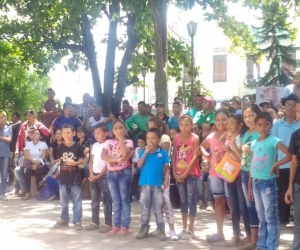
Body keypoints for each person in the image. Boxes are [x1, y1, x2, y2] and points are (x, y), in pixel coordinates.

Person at [249, 112, 291, 250]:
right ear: (255, 126)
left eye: (266, 125)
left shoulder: (274, 140)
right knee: (261, 216)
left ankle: (271, 246)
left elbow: (290, 154)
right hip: (256, 182)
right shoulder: (254, 143)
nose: (262, 128)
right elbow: (252, 164)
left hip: (268, 183)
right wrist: (249, 185)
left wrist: (275, 165)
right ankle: (262, 245)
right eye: (259, 125)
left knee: (270, 216)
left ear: (270, 126)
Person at [201, 109, 230, 243]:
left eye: (224, 119)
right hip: (215, 174)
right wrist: (206, 157)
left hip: (230, 174)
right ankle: (220, 233)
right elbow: (201, 146)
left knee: (231, 203)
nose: (221, 122)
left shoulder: (232, 135)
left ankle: (238, 233)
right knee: (218, 202)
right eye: (218, 120)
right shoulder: (211, 136)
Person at [272, 93, 300, 230]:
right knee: (283, 191)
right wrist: (275, 163)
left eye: (293, 105)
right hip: (283, 164)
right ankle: (283, 220)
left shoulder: (299, 124)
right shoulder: (277, 125)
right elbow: (273, 145)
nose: (291, 107)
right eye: (288, 104)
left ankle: (296, 219)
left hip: (297, 164)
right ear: (284, 106)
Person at [135, 128, 169, 241]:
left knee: (158, 209)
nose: (150, 140)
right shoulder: (142, 151)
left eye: (153, 138)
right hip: (145, 184)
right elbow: (139, 165)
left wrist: (166, 179)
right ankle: (144, 228)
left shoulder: (162, 152)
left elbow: (167, 167)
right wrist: (145, 152)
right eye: (148, 138)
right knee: (145, 208)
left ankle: (161, 229)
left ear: (158, 140)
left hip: (158, 185)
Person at [147, 117, 178, 241]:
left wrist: (166, 178)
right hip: (152, 176)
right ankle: (160, 227)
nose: (150, 131)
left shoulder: (164, 139)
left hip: (162, 175)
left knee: (166, 201)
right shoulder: (149, 143)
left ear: (159, 128)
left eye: (152, 128)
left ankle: (172, 228)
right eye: (148, 128)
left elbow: (164, 157)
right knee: (156, 202)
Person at [223, 114, 251, 247]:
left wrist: (231, 148)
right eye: (228, 123)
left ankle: (249, 235)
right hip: (230, 171)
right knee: (233, 205)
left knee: (243, 205)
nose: (229, 126)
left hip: (240, 173)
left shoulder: (242, 138)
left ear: (240, 125)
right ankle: (235, 235)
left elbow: (241, 159)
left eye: (232, 123)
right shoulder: (228, 137)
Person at [101, 119, 134, 236]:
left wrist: (120, 139)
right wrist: (116, 159)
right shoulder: (108, 142)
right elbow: (103, 156)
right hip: (111, 173)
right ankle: (116, 225)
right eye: (116, 128)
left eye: (121, 128)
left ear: (125, 129)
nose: (119, 130)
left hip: (124, 173)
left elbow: (125, 155)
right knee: (116, 200)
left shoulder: (128, 142)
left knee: (125, 200)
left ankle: (125, 226)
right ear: (112, 131)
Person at [173, 115, 200, 240]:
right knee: (182, 199)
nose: (184, 127)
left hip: (191, 173)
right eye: (182, 125)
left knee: (191, 199)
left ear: (192, 125)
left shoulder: (195, 138)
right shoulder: (176, 137)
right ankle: (184, 228)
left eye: (187, 125)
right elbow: (173, 156)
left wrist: (186, 173)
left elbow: (195, 157)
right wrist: (174, 171)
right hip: (179, 173)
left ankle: (191, 229)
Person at [54, 124, 85, 230]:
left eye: (68, 132)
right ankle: (64, 219)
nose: (65, 135)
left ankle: (77, 220)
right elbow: (60, 161)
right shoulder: (59, 147)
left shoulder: (78, 147)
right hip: (63, 178)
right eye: (63, 133)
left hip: (75, 178)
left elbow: (82, 160)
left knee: (77, 201)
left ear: (74, 133)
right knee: (63, 201)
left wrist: (75, 163)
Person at [86, 123, 112, 233]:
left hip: (104, 175)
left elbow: (108, 163)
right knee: (94, 200)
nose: (96, 135)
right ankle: (94, 221)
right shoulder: (94, 145)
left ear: (106, 133)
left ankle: (107, 223)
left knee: (106, 200)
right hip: (94, 175)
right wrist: (91, 174)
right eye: (95, 133)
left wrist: (99, 176)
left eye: (99, 133)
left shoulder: (109, 144)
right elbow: (91, 161)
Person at [285, 99, 300, 250]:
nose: (299, 114)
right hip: (298, 184)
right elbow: (294, 162)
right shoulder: (295, 135)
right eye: (297, 111)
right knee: (298, 221)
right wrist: (290, 187)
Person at [22, 129, 49, 200]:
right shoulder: (29, 144)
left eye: (37, 134)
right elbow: (26, 156)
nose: (35, 135)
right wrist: (33, 163)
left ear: (40, 137)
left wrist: (37, 164)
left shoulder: (43, 144)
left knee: (38, 172)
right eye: (34, 133)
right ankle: (27, 192)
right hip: (31, 163)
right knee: (27, 172)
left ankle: (39, 191)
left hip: (40, 163)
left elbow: (43, 156)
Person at [196, 123, 214, 212]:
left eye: (208, 130)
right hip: (206, 165)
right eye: (205, 130)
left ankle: (210, 202)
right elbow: (202, 153)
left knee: (211, 178)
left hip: (214, 167)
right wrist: (205, 160)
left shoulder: (214, 139)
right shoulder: (203, 141)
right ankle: (201, 200)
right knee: (199, 177)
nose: (206, 132)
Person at [44, 128, 64, 201]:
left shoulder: (64, 144)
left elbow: (62, 158)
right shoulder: (53, 143)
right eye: (56, 134)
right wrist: (52, 161)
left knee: (58, 164)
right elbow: (51, 155)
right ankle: (53, 194)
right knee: (50, 177)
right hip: (54, 164)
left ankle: (44, 180)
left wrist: (55, 162)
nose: (58, 135)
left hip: (62, 163)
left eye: (60, 134)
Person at [0, 111, 12, 201]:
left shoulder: (9, 128)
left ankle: (2, 194)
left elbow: (9, 140)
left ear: (6, 119)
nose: (0, 119)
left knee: (4, 174)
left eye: (1, 117)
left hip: (5, 154)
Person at [131, 132, 147, 201]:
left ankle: (143, 197)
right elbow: (133, 161)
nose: (140, 144)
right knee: (135, 179)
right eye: (138, 142)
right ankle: (137, 195)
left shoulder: (146, 150)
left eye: (142, 142)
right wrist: (132, 169)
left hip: (145, 167)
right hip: (138, 167)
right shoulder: (136, 149)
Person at [9, 111, 22, 187]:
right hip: (10, 148)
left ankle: (14, 182)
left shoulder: (19, 126)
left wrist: (16, 149)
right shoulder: (11, 125)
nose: (12, 118)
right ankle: (11, 181)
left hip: (15, 149)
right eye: (12, 117)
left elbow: (17, 138)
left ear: (18, 118)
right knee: (10, 164)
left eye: (14, 117)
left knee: (14, 165)